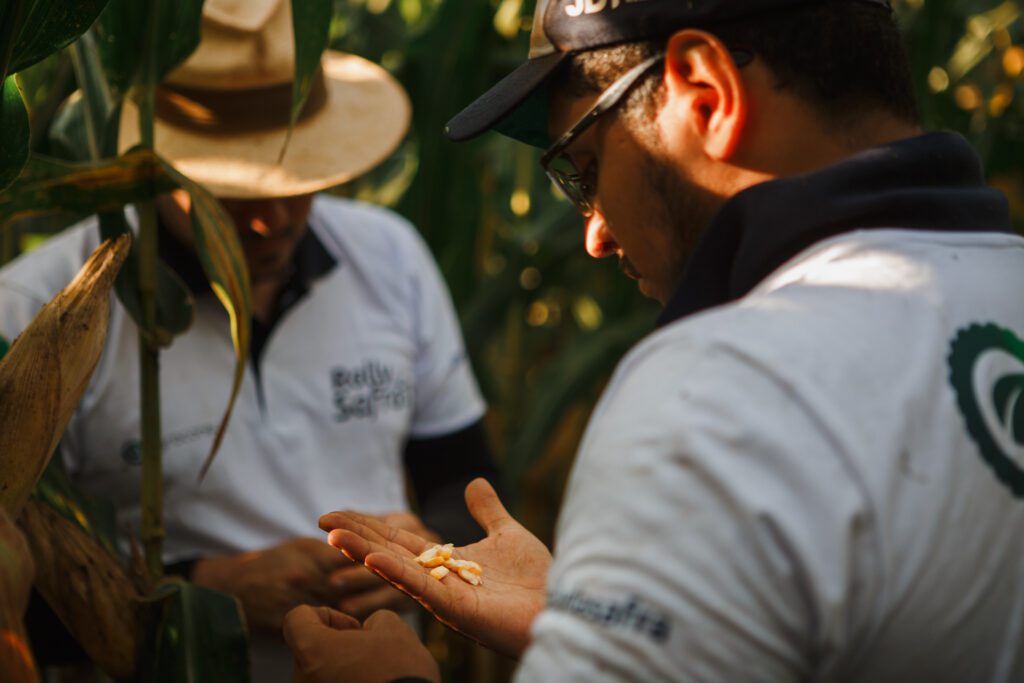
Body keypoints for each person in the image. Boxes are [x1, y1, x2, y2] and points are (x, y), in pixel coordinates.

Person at [284, 0, 1024, 681]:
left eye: (585, 168)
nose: (596, 233)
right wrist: (612, 624)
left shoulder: (723, 386)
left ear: (705, 93)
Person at [0, 0, 497, 680]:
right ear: (158, 165)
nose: (273, 221)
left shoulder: (393, 259)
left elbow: (466, 482)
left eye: (302, 181)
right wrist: (203, 592)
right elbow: (14, 594)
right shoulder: (34, 308)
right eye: (232, 194)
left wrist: (427, 554)